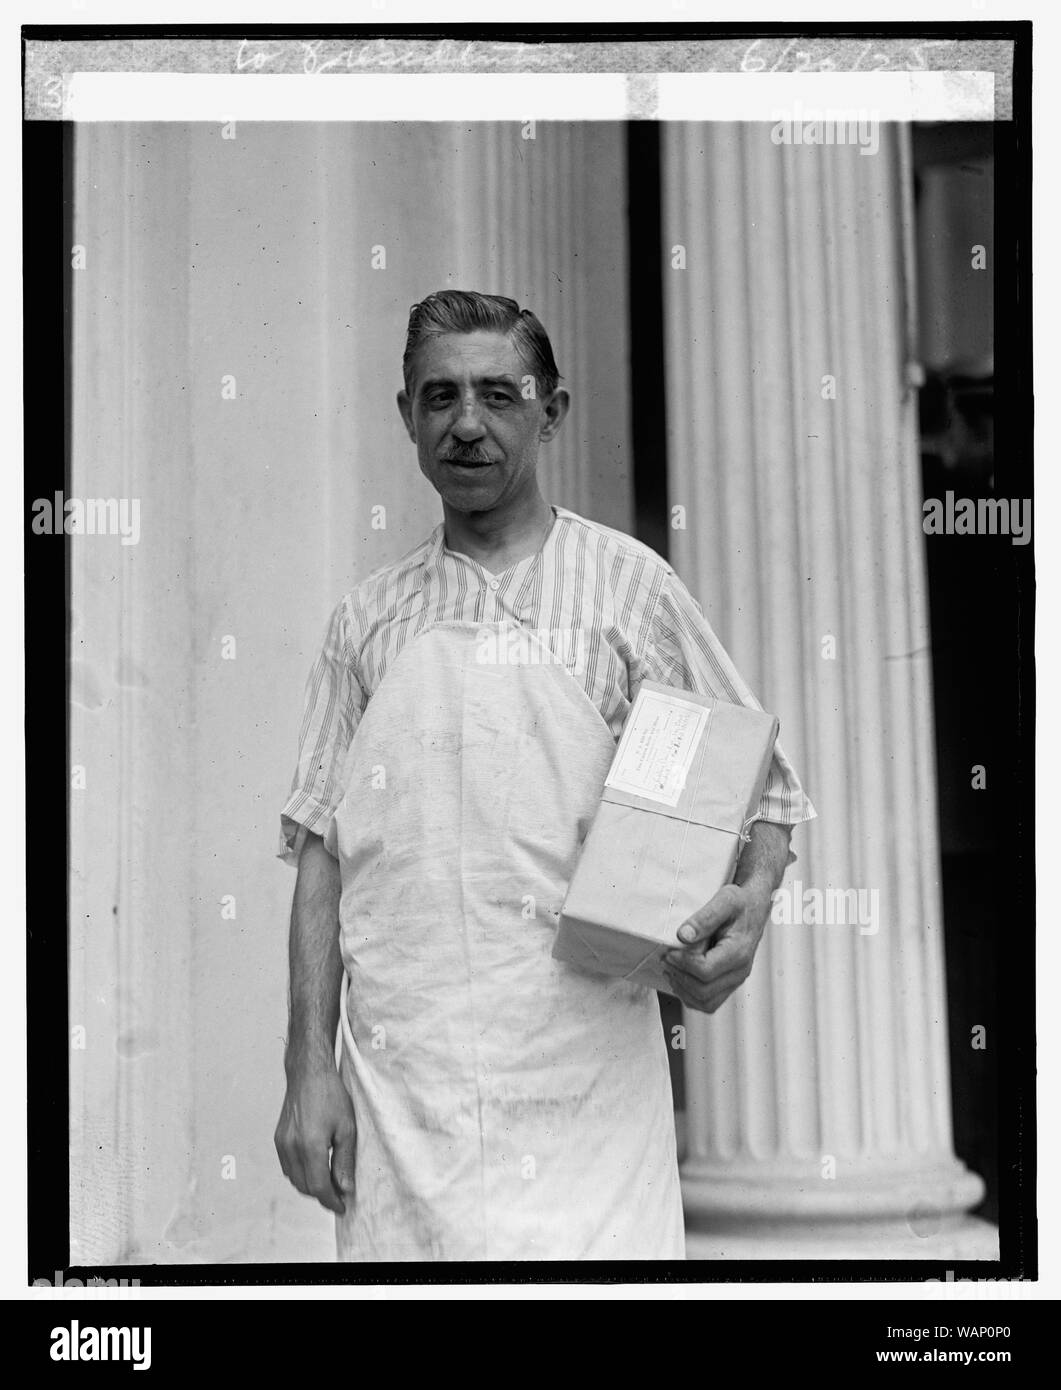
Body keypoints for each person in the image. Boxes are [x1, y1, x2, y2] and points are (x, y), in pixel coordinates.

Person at [274, 289, 815, 1261]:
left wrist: (752, 900)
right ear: (406, 415)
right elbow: (321, 855)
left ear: (550, 410)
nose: (465, 423)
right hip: (406, 1090)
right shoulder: (367, 620)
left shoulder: (629, 588)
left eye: (498, 394)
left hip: (586, 1081)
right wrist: (308, 1068)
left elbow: (762, 788)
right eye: (439, 397)